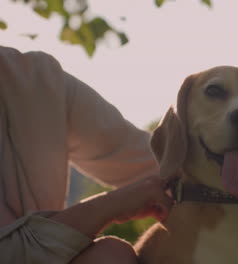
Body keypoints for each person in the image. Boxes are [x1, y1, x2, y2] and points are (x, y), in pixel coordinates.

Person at [0, 46, 173, 264]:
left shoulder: (37, 79)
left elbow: (154, 162)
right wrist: (110, 205)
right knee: (110, 256)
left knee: (110, 255)